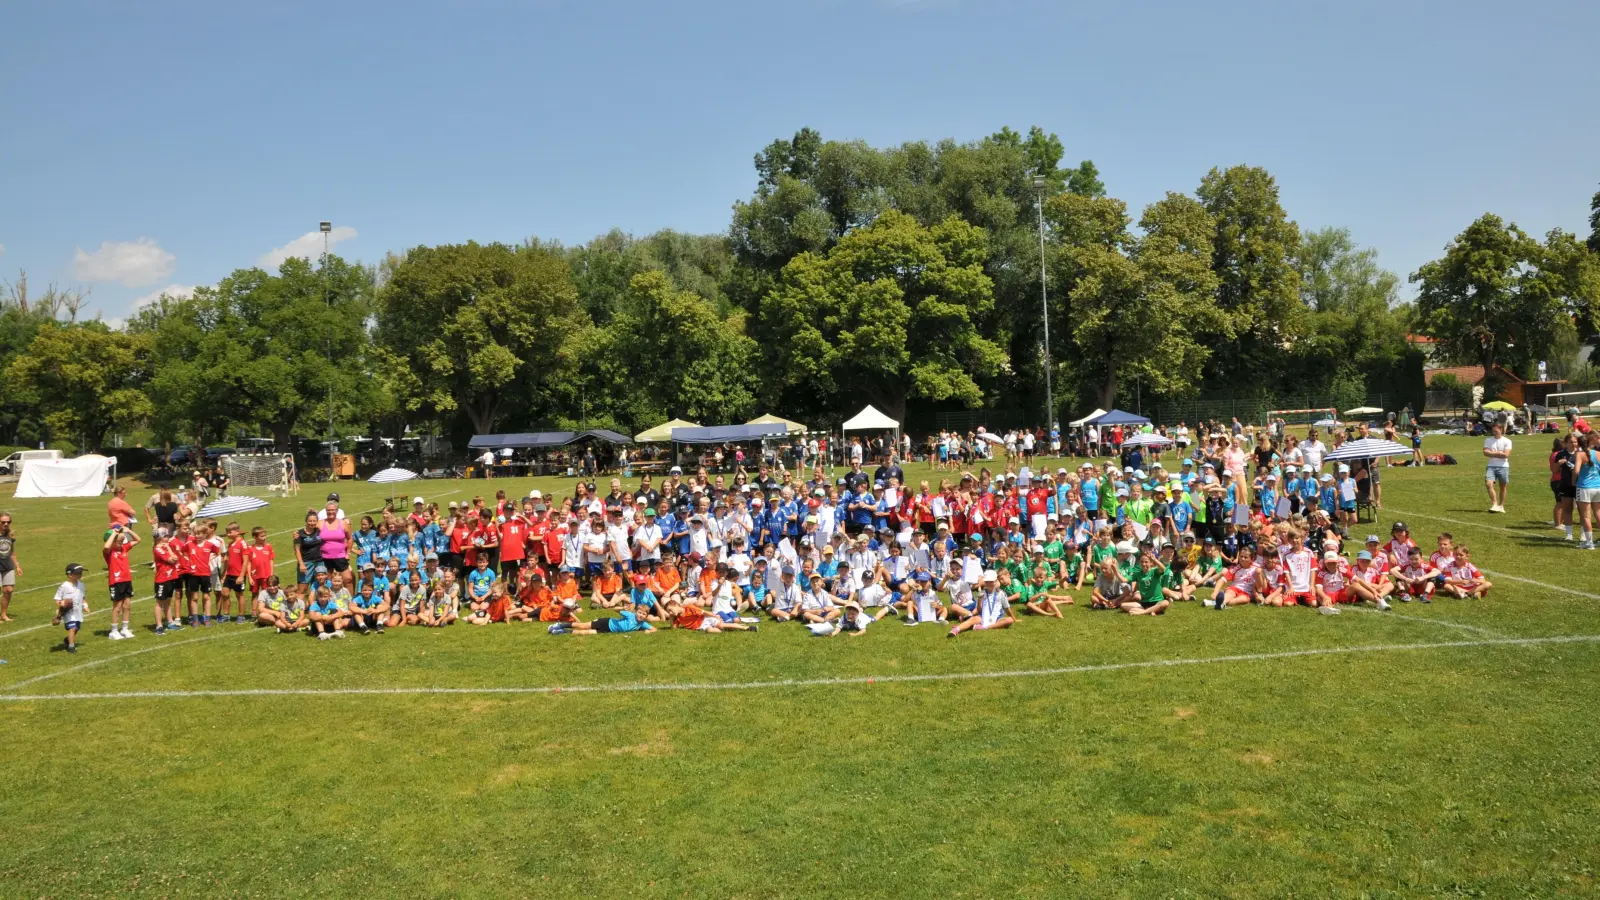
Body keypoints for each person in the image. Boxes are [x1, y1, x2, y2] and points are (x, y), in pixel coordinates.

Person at [103, 526, 139, 639]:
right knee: (117, 606)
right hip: (116, 582)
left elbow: (138, 540)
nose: (120, 544)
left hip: (127, 580)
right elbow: (106, 546)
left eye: (121, 541)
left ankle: (125, 628)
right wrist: (114, 534)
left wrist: (129, 531)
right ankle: (113, 631)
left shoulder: (124, 548)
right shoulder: (109, 552)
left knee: (127, 605)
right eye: (118, 542)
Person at [1573, 431, 1600, 549]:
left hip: (1584, 487)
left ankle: (1589, 543)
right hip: (1598, 487)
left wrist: (1573, 480)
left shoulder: (1580, 454)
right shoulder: (1598, 454)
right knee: (1598, 513)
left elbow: (1576, 471)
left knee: (1586, 516)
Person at [55, 563, 88, 653]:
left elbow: (82, 596)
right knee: (72, 628)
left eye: (81, 573)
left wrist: (85, 606)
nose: (80, 575)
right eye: (77, 573)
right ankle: (71, 647)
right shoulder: (64, 586)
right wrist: (61, 605)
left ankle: (68, 640)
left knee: (76, 628)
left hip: (78, 611)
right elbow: (58, 598)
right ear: (70, 574)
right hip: (69, 612)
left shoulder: (81, 585)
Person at [1483, 420, 1512, 513]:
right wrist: (1498, 453)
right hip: (1491, 466)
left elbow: (1506, 455)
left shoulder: (1507, 441)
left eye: (1496, 430)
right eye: (1493, 431)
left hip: (1503, 466)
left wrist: (1492, 453)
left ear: (1501, 429)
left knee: (1503, 487)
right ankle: (1494, 504)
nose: (1494, 432)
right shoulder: (1488, 440)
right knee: (1488, 484)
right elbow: (1485, 452)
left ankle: (1501, 506)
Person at [0, 513, 19, 622]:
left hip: (8, 566)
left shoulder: (10, 535)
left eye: (8, 522)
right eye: (3, 522)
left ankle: (3, 614)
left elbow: (12, 552)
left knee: (9, 590)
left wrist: (17, 565)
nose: (6, 524)